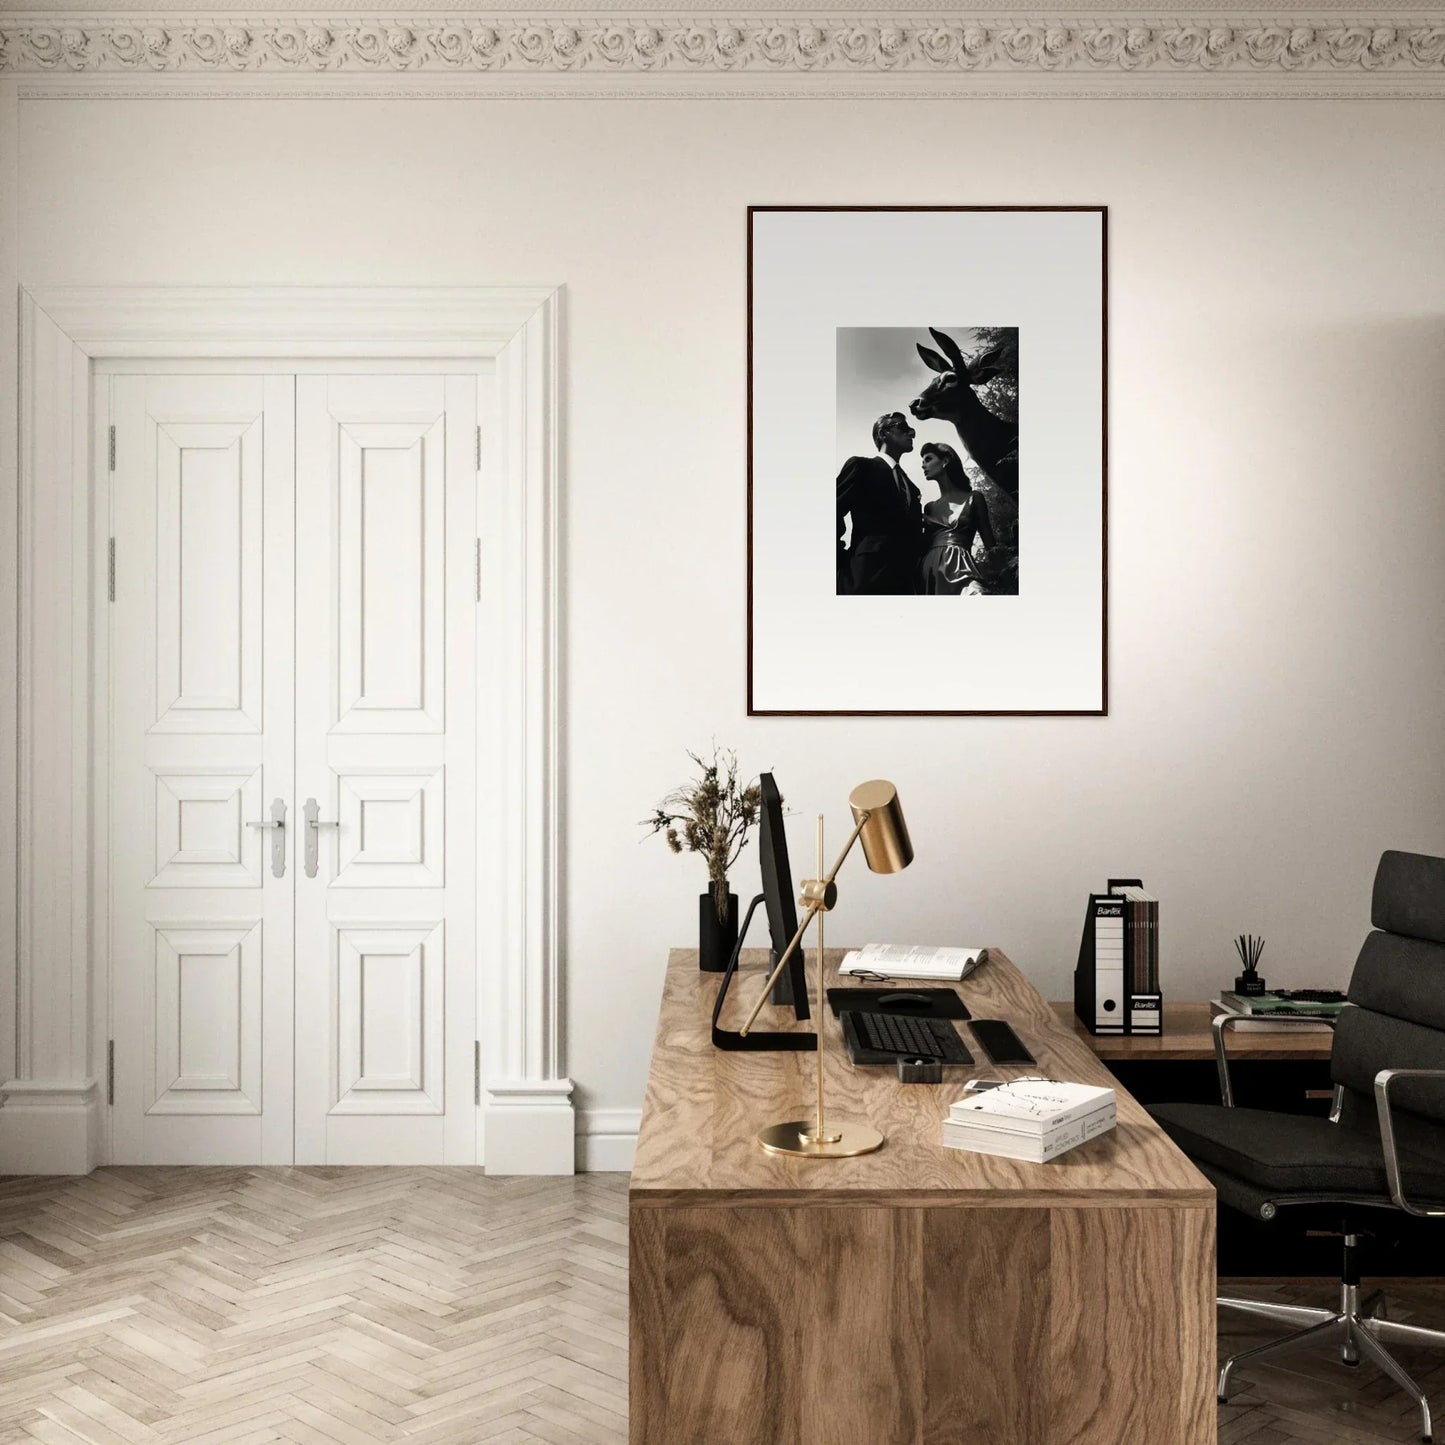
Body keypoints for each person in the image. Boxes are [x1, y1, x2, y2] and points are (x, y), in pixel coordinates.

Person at [835, 412, 923, 596]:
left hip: (904, 586)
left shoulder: (912, 489)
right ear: (884, 433)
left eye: (911, 430)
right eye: (904, 428)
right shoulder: (861, 467)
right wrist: (842, 563)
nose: (912, 434)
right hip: (863, 579)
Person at [917, 441, 997, 595]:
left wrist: (1005, 578)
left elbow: (991, 546)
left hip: (962, 568)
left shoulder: (974, 498)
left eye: (928, 459)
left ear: (945, 461)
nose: (923, 465)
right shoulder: (929, 507)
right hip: (930, 573)